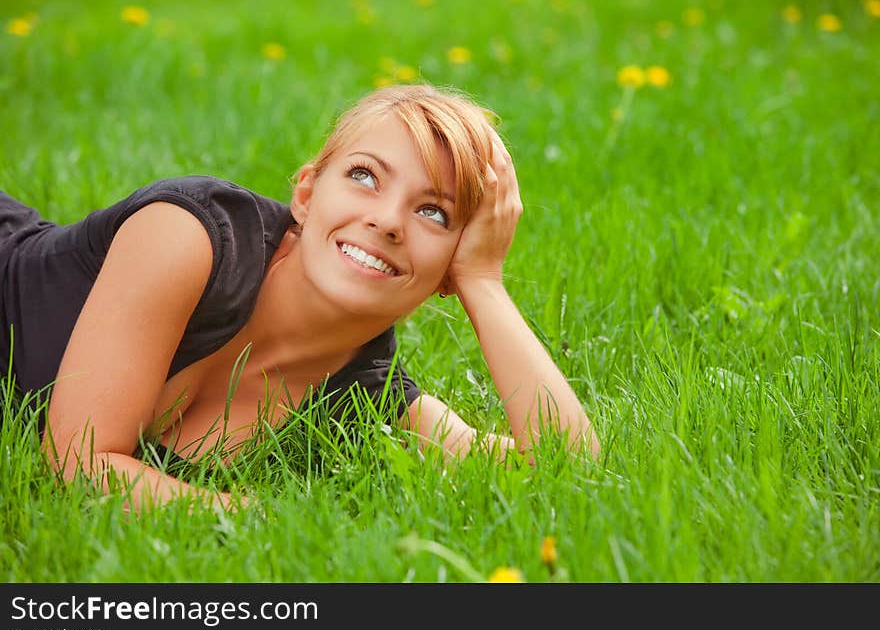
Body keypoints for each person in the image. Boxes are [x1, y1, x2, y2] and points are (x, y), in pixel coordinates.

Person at [0, 83, 599, 512]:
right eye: (365, 175)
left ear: (452, 263)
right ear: (308, 193)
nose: (388, 220)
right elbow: (79, 464)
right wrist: (260, 520)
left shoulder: (363, 398)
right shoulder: (189, 235)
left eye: (433, 212)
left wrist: (484, 285)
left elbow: (567, 470)